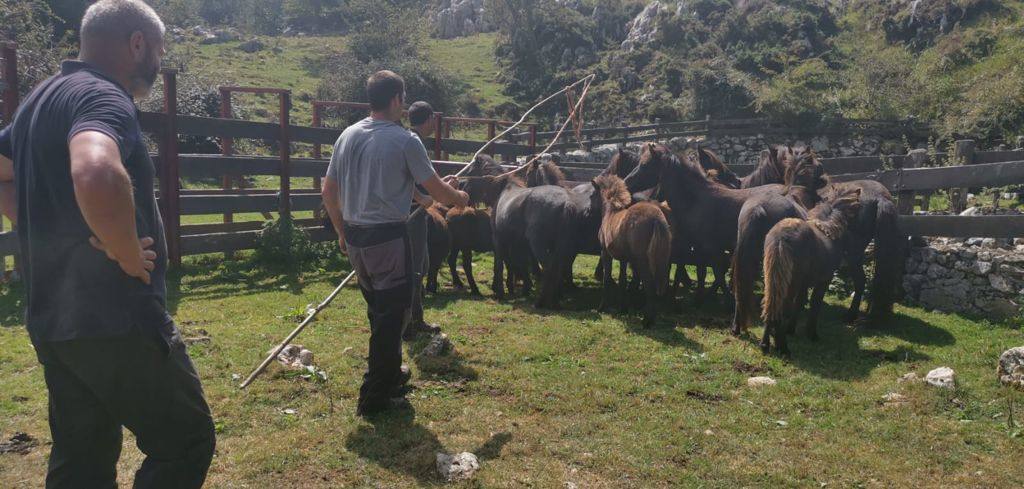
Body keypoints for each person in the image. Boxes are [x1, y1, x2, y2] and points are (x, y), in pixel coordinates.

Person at [0, 1, 215, 487]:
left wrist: (45, 224)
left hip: (54, 318)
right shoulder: (103, 98)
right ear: (137, 43)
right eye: (157, 50)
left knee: (82, 459)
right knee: (186, 441)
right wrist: (124, 251)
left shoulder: (41, 99)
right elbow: (95, 169)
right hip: (116, 316)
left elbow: (2, 170)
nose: (157, 63)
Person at [322, 71, 469, 417]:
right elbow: (437, 192)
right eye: (403, 98)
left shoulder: (347, 135)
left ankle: (390, 376)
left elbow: (328, 191)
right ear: (397, 100)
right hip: (388, 239)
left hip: (357, 241)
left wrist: (342, 232)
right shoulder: (405, 140)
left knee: (380, 312)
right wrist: (459, 196)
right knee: (392, 318)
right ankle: (374, 399)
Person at [404, 101, 441, 340]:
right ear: (428, 119)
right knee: (415, 269)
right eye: (433, 120)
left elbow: (420, 180)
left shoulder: (410, 140)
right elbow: (405, 179)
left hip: (416, 211)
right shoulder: (413, 141)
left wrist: (438, 188)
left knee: (422, 266)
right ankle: (410, 324)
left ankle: (414, 318)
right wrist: (424, 197)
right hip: (411, 214)